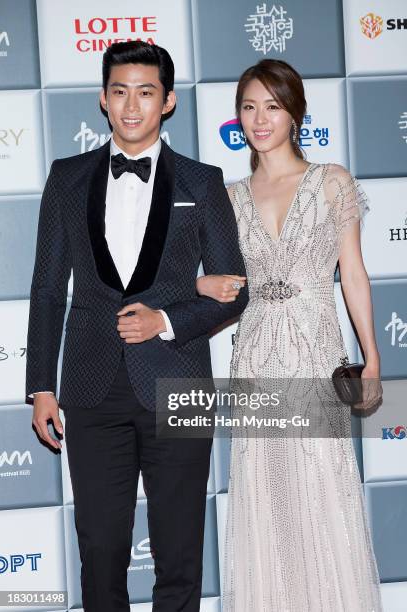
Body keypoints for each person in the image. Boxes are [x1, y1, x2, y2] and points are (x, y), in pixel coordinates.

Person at [25, 41, 248, 612]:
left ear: (168, 102)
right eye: (120, 91)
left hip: (180, 384)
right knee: (100, 549)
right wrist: (42, 387)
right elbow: (49, 289)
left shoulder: (203, 180)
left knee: (178, 551)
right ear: (103, 98)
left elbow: (232, 288)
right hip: (90, 386)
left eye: (145, 93)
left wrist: (167, 320)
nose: (131, 106)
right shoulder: (67, 178)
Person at [196, 59, 384, 611]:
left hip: (315, 347)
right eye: (249, 107)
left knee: (323, 492)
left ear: (295, 113)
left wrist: (371, 359)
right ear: (237, 118)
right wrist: (202, 285)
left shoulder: (332, 181)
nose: (260, 119)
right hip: (255, 353)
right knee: (268, 498)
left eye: (273, 106)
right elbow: (226, 288)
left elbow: (352, 271)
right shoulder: (227, 198)